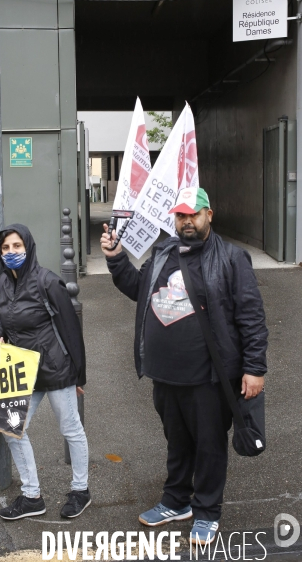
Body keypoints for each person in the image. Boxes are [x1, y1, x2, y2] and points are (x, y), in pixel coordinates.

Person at [100, 187, 267, 545]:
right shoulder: (163, 251)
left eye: (194, 214)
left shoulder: (232, 259)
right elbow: (138, 289)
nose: (187, 220)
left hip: (210, 376)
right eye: (180, 215)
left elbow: (251, 317)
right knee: (176, 443)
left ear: (210, 214)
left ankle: (207, 510)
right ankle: (176, 501)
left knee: (209, 444)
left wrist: (255, 368)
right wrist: (115, 258)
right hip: (165, 373)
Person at [0, 223, 90, 520]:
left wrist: (78, 377)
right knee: (12, 427)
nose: (11, 253)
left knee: (71, 429)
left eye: (16, 246)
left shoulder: (48, 282)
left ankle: (80, 490)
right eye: (6, 248)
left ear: (28, 247)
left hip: (56, 369)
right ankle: (32, 496)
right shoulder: (4, 283)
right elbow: (4, 319)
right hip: (24, 373)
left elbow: (72, 330)